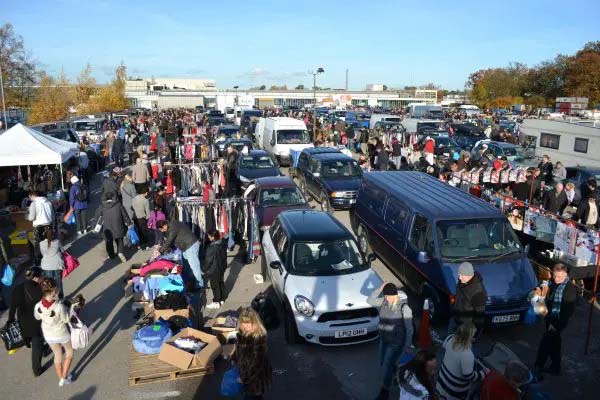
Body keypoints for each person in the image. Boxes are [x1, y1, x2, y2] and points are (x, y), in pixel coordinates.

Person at [367, 282, 414, 400]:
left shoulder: (404, 308)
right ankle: (395, 373)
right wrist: (380, 289)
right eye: (385, 296)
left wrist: (407, 348)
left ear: (394, 295)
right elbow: (370, 300)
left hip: (395, 343)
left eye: (388, 296)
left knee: (386, 366)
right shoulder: (383, 302)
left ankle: (385, 391)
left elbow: (409, 330)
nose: (386, 298)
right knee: (383, 362)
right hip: (383, 339)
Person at [534, 263, 577, 377]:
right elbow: (549, 299)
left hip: (558, 322)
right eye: (555, 276)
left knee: (546, 343)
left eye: (559, 277)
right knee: (555, 343)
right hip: (549, 318)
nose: (556, 279)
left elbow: (567, 311)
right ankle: (555, 367)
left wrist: (556, 325)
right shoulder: (553, 283)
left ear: (566, 275)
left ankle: (538, 366)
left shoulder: (570, 289)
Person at [34, 277, 73, 387]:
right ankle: (64, 377)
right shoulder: (59, 306)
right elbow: (65, 319)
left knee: (57, 355)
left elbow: (37, 317)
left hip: (49, 335)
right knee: (69, 352)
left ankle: (61, 378)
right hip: (61, 333)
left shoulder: (38, 306)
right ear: (54, 291)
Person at [7, 267, 44, 376]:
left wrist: (10, 319)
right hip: (36, 322)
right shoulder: (39, 289)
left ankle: (43, 349)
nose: (42, 277)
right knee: (37, 344)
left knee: (32, 340)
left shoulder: (18, 289)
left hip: (22, 320)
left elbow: (13, 306)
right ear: (36, 278)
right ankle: (37, 370)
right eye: (41, 275)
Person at [436, 322, 488, 400]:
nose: (474, 337)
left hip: (442, 380)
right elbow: (468, 375)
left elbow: (444, 346)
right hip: (454, 389)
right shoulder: (467, 354)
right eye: (473, 335)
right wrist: (483, 374)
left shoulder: (450, 338)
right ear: (469, 337)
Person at [234, 307, 272, 400]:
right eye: (244, 322)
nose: (246, 326)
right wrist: (234, 358)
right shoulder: (242, 336)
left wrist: (244, 379)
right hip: (248, 376)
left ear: (255, 323)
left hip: (254, 379)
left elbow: (256, 365)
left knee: (252, 396)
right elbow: (240, 353)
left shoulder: (258, 340)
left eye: (249, 323)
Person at [157, 220, 203, 289]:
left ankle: (199, 284)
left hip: (190, 245)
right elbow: (172, 240)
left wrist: (161, 251)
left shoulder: (173, 227)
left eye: (162, 229)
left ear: (164, 226)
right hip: (187, 246)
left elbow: (170, 240)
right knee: (187, 264)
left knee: (194, 267)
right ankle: (192, 279)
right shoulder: (171, 225)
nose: (162, 231)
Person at [450, 262, 487, 334]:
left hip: (466, 327)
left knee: (463, 344)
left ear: (469, 275)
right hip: (455, 319)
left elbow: (480, 315)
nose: (459, 278)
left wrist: (474, 334)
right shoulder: (462, 282)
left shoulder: (478, 292)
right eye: (459, 275)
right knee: (449, 341)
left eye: (462, 275)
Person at [97, 191, 131, 263]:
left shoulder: (102, 207)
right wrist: (128, 222)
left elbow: (98, 217)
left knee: (108, 241)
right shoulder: (118, 205)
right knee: (119, 239)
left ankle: (111, 255)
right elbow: (124, 215)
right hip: (118, 225)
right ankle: (120, 252)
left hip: (107, 227)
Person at [26, 190, 55, 265]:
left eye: (30, 197)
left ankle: (39, 263)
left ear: (32, 196)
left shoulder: (34, 204)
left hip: (39, 228)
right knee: (49, 244)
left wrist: (26, 216)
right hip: (49, 226)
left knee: (38, 246)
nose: (30, 199)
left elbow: (31, 217)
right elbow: (53, 216)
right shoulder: (48, 202)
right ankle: (50, 260)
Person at [203, 230, 227, 309]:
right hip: (221, 267)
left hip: (214, 269)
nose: (208, 237)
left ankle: (216, 302)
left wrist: (204, 269)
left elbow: (208, 261)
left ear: (213, 237)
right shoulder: (222, 244)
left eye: (209, 236)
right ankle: (222, 299)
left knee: (214, 285)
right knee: (220, 282)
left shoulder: (211, 247)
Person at [39, 226, 65, 298]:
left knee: (49, 283)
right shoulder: (57, 241)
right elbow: (63, 251)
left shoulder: (41, 243)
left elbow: (42, 254)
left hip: (47, 265)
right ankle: (61, 296)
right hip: (57, 264)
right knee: (58, 280)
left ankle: (50, 297)